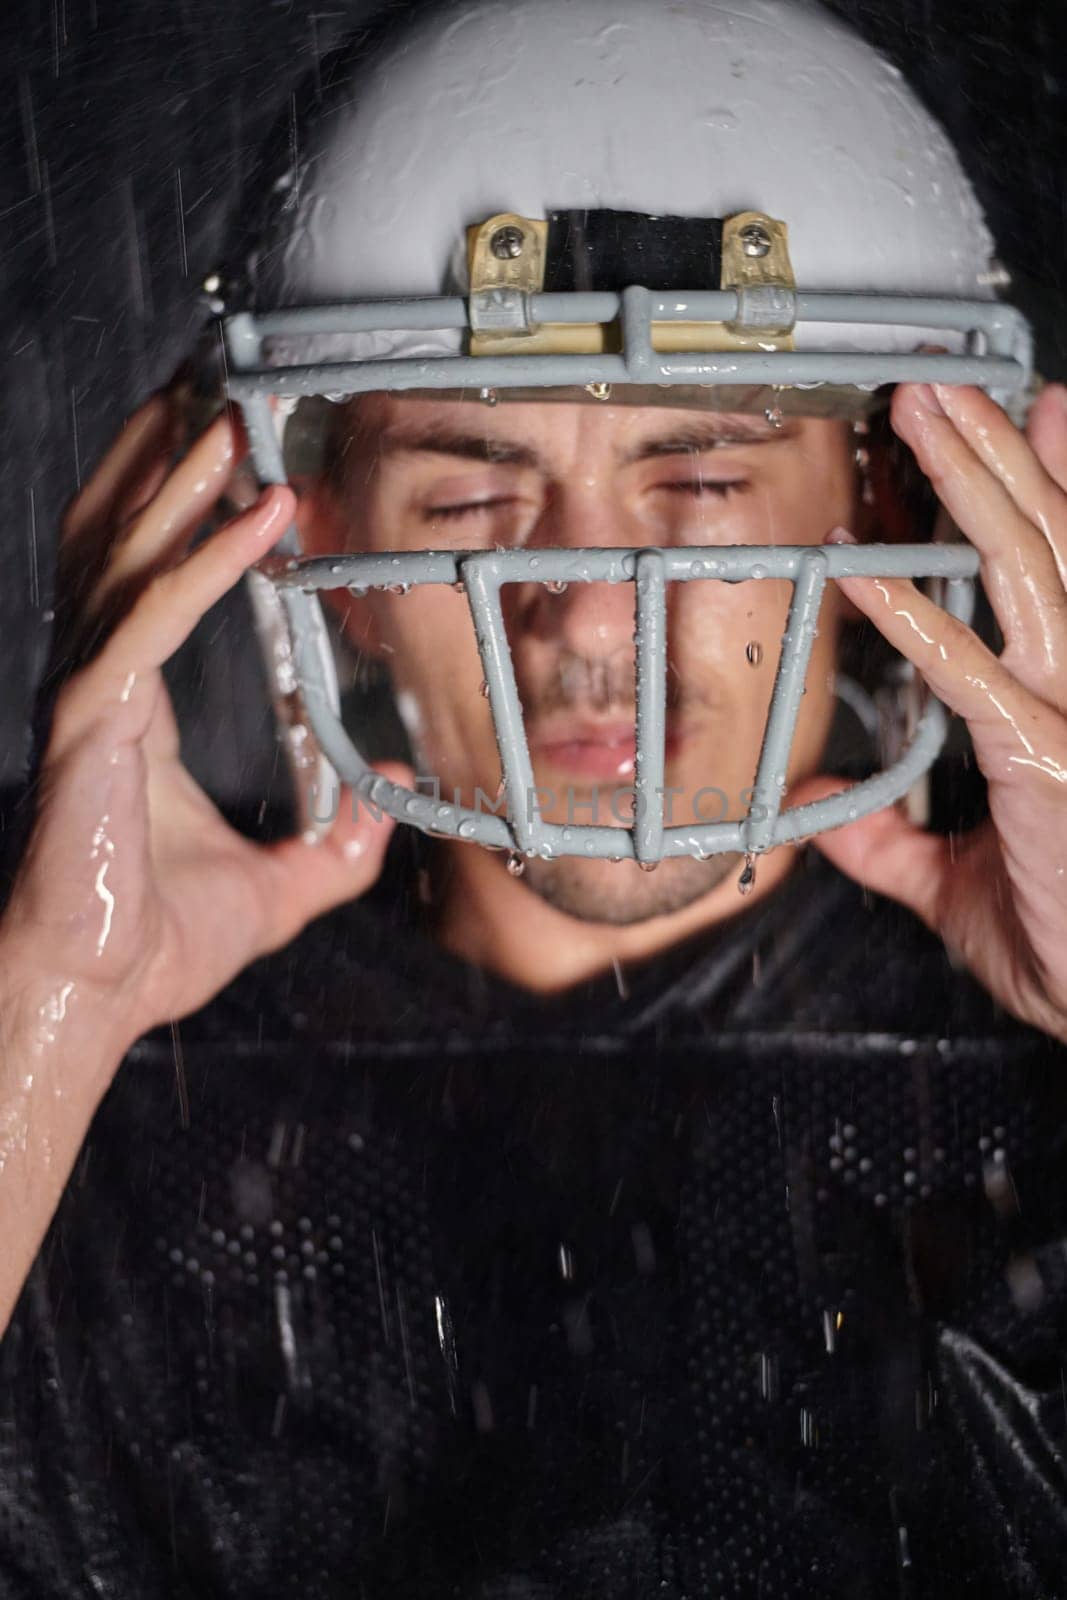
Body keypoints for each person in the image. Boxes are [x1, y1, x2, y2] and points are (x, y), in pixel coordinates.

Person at [1, 0, 1066, 1594]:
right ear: (317, 547)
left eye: (702, 479)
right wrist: (52, 1009)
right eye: (473, 489)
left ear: (882, 514)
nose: (588, 612)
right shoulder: (70, 1043)